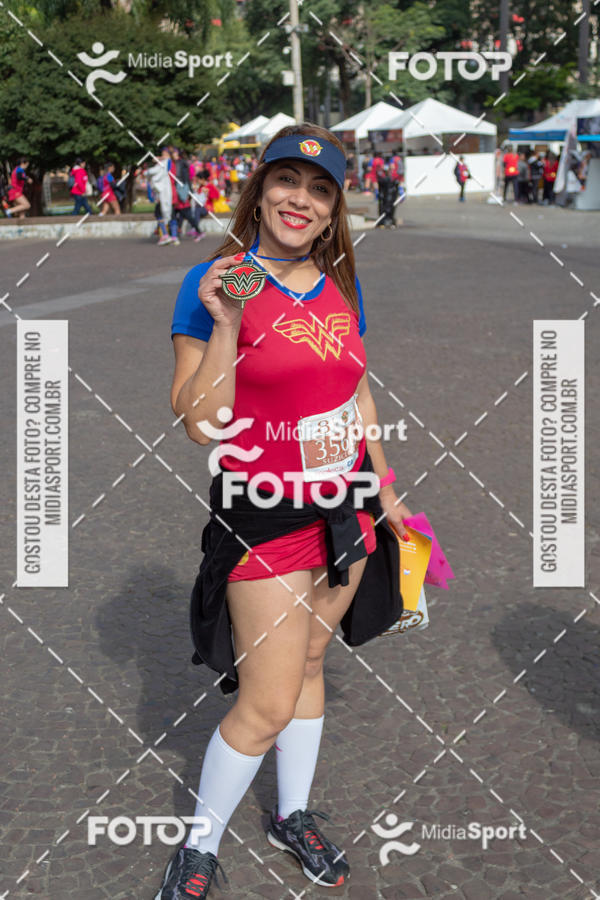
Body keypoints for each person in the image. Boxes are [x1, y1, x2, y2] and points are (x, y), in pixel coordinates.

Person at [159, 123, 411, 899]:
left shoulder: (342, 285)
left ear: (335, 208)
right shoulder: (216, 283)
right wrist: (229, 324)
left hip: (346, 507)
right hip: (264, 516)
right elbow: (198, 417)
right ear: (259, 190)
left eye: (320, 189)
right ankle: (197, 849)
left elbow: (355, 388)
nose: (300, 200)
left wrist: (387, 488)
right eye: (286, 182)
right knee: (264, 702)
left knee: (308, 665)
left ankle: (291, 814)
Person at [148, 147, 177, 245]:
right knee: (169, 214)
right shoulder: (169, 163)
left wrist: (159, 159)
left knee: (161, 214)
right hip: (169, 193)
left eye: (164, 154)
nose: (162, 156)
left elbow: (157, 173)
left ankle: (166, 235)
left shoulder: (166, 163)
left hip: (166, 193)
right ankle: (172, 236)